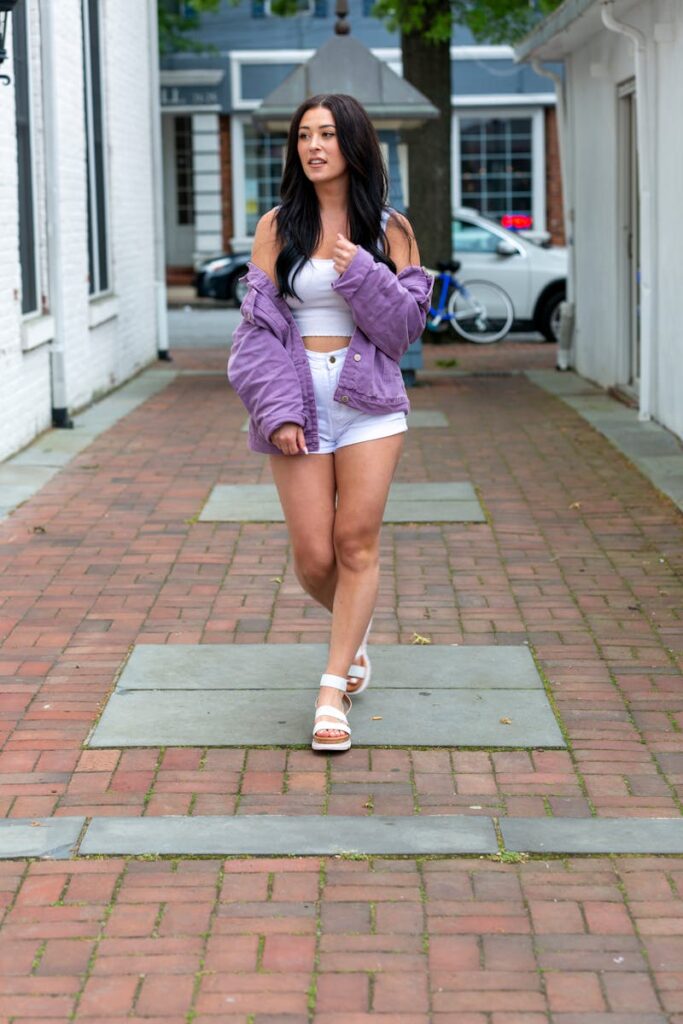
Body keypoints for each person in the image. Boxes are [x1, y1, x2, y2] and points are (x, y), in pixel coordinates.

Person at [228, 93, 432, 752]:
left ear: (352, 144)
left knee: (356, 544)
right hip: (297, 396)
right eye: (303, 137)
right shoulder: (276, 227)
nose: (313, 147)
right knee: (315, 556)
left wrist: (363, 271)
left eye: (326, 135)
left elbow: (403, 332)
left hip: (369, 397)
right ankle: (356, 634)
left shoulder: (390, 229)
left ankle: (330, 688)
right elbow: (255, 332)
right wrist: (277, 408)